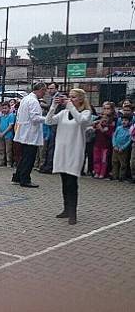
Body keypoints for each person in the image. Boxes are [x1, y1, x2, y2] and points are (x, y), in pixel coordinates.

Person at [45, 88, 92, 225]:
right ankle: (66, 209)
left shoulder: (86, 113)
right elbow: (48, 121)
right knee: (64, 182)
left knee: (72, 182)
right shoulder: (63, 113)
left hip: (75, 151)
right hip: (62, 151)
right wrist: (53, 106)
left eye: (74, 97)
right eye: (69, 97)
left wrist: (70, 106)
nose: (70, 99)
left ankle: (73, 213)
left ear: (81, 99)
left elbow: (81, 121)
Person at [12, 83, 47, 187]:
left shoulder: (26, 99)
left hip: (24, 132)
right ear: (40, 90)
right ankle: (25, 179)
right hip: (30, 133)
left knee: (24, 157)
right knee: (29, 158)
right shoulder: (33, 101)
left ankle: (18, 176)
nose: (44, 93)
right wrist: (48, 119)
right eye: (44, 91)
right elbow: (35, 118)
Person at [39, 82, 59, 173]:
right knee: (49, 146)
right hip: (52, 124)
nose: (49, 90)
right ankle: (47, 165)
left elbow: (54, 109)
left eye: (52, 88)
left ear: (56, 89)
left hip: (56, 125)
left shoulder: (57, 98)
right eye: (49, 88)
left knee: (52, 146)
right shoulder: (52, 98)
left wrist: (44, 106)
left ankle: (49, 166)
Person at [93, 105, 116, 179]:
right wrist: (96, 126)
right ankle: (96, 172)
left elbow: (109, 134)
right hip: (97, 145)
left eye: (106, 118)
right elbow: (94, 131)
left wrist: (102, 129)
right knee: (96, 159)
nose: (104, 119)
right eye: (103, 117)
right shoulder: (98, 125)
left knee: (103, 160)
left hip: (105, 147)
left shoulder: (110, 126)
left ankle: (102, 173)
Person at [112, 114, 132, 181]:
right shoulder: (118, 128)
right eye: (122, 120)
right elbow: (114, 136)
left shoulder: (130, 130)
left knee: (123, 164)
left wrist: (123, 148)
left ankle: (122, 177)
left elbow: (129, 140)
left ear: (129, 122)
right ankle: (115, 175)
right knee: (115, 162)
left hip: (123, 150)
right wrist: (114, 145)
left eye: (126, 120)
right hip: (116, 148)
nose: (123, 122)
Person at [0, 102, 16, 167]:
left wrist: (4, 133)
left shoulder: (11, 115)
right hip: (1, 134)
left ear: (9, 108)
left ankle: (9, 162)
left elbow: (10, 126)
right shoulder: (1, 116)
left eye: (5, 108)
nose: (4, 110)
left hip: (8, 135)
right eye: (3, 108)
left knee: (8, 150)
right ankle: (1, 161)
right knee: (1, 149)